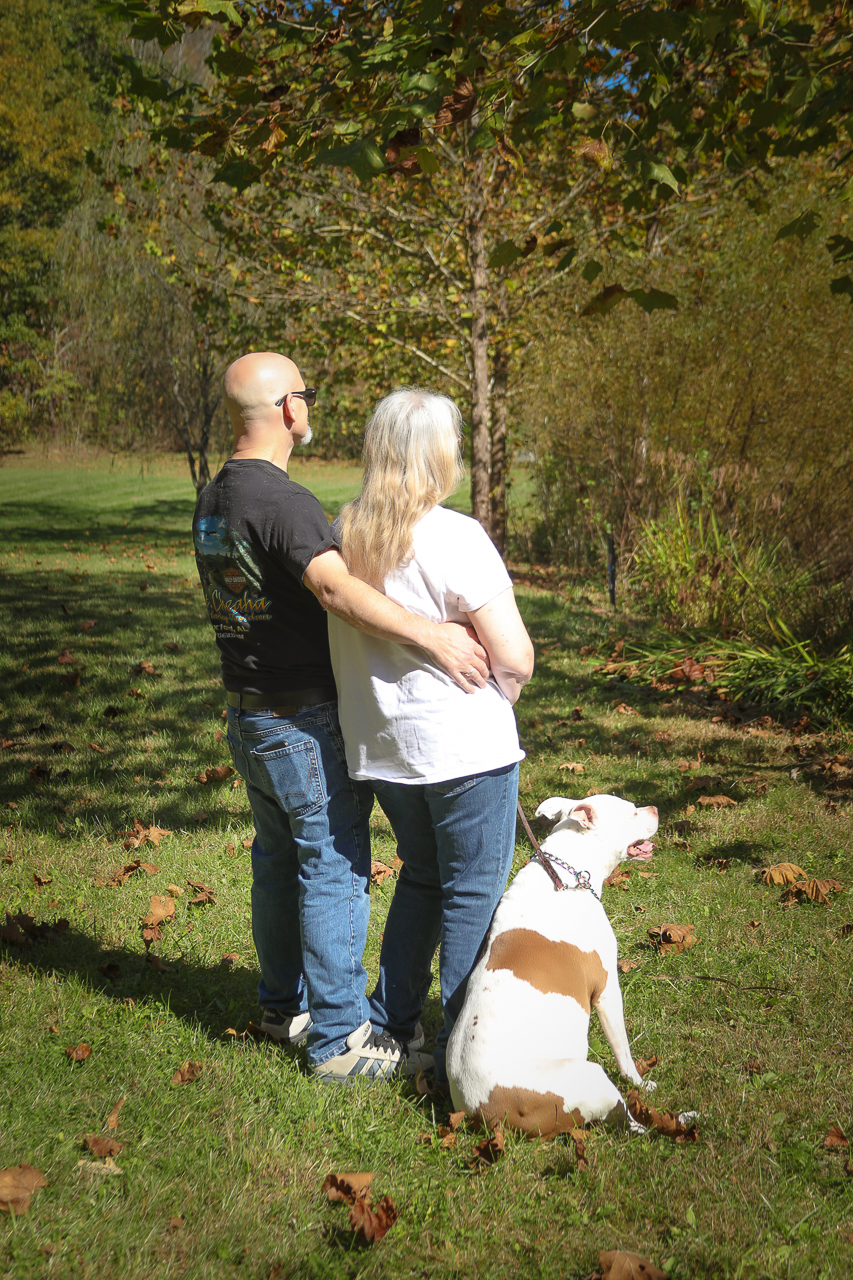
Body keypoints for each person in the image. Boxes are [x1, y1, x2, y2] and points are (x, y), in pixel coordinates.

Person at [192, 352, 491, 1084]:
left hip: (247, 715)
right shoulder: (283, 501)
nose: (311, 407)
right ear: (289, 408)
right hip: (299, 721)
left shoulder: (214, 494)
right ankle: (338, 1041)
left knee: (277, 861)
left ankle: (281, 1007)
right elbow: (334, 590)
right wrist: (433, 636)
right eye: (309, 393)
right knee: (332, 866)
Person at [328, 387, 535, 1085]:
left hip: (384, 746)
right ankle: (462, 1043)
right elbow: (514, 657)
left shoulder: (343, 531)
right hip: (463, 748)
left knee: (420, 874)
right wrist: (502, 697)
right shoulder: (456, 536)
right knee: (473, 889)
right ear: (441, 457)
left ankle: (392, 1022)